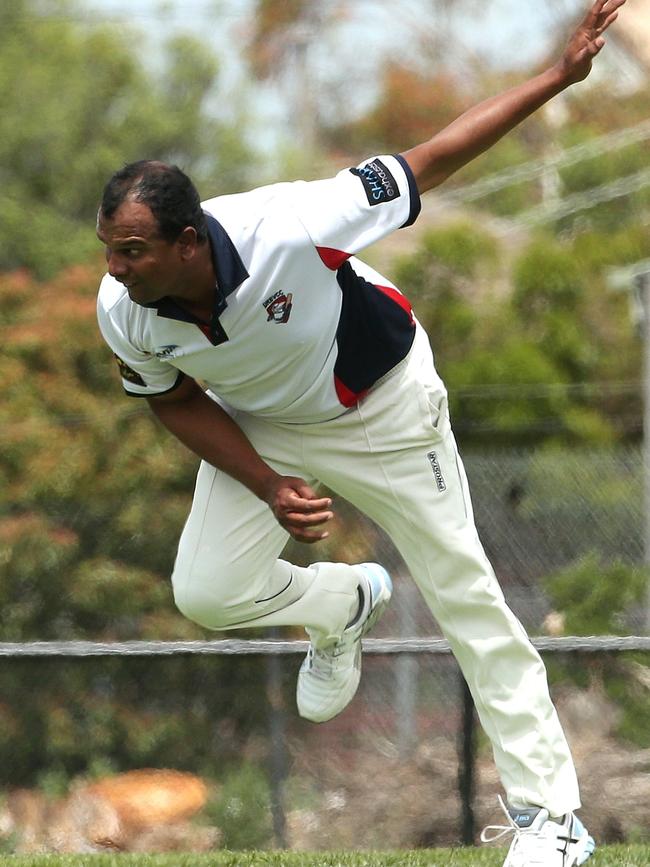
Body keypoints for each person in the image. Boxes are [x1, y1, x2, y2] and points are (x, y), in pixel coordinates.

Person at [95, 2, 625, 864]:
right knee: (205, 591)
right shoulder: (126, 309)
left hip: (380, 406)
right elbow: (171, 396)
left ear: (189, 242)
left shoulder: (297, 220)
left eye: (130, 251)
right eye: (109, 250)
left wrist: (557, 78)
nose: (113, 270)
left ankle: (552, 821)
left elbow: (435, 157)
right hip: (264, 426)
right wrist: (267, 482)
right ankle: (342, 602)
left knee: (465, 594)